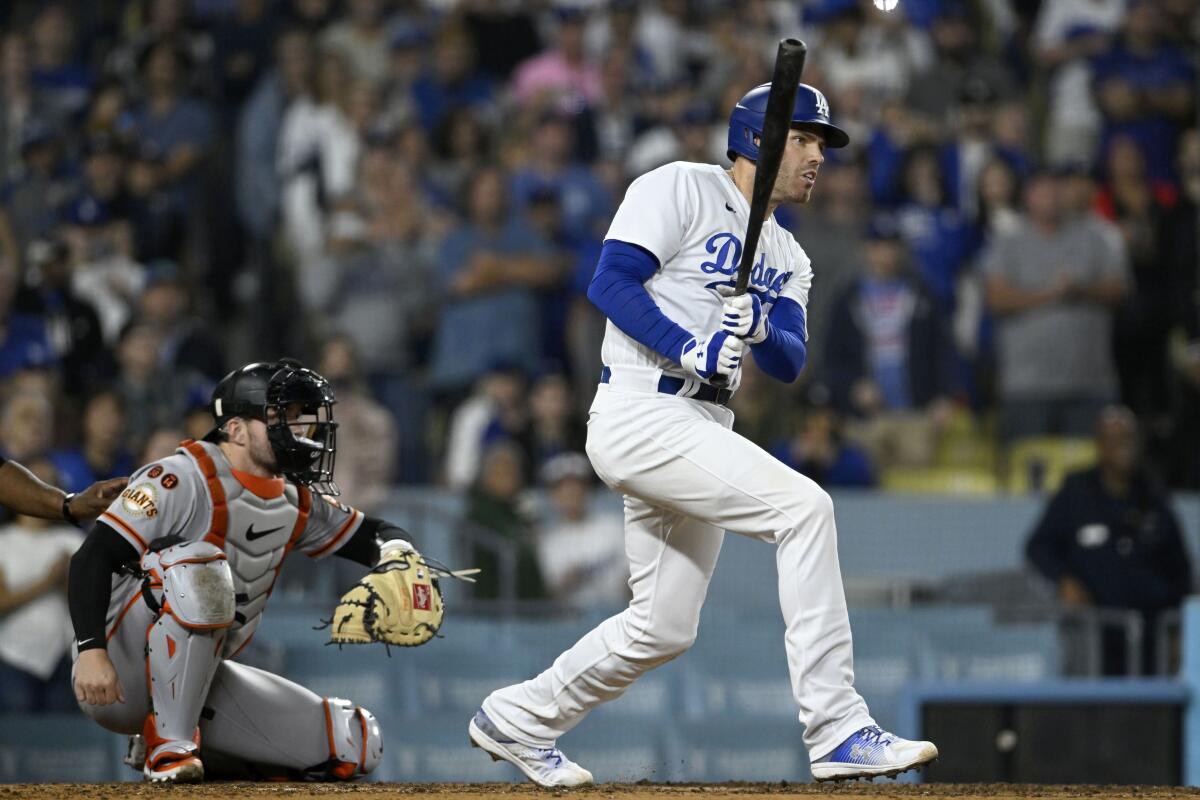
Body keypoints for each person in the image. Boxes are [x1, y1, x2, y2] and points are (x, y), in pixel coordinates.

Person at [466, 82, 937, 785]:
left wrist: (763, 326)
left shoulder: (790, 254)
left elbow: (790, 360)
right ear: (760, 139)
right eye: (805, 140)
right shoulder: (679, 186)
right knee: (806, 510)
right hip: (640, 408)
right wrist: (689, 345)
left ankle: (520, 717)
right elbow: (611, 283)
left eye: (819, 145)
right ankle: (836, 725)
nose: (817, 158)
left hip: (701, 422)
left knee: (662, 627)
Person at [67, 359, 423, 783]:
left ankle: (200, 752)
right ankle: (168, 746)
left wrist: (401, 556)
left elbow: (374, 534)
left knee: (353, 741)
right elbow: (90, 557)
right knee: (200, 565)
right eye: (279, 416)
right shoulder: (178, 477)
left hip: (201, 676)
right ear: (235, 429)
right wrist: (91, 651)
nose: (297, 429)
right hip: (116, 663)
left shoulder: (293, 501)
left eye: (298, 417)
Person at [1025, 406, 1192, 675]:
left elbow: (1180, 572)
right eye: (1113, 439)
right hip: (1094, 636)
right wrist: (1063, 579)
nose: (1123, 447)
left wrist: (1179, 632)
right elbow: (1039, 546)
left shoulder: (1154, 497)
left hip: (1151, 638)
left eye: (1128, 439)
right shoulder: (1076, 492)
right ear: (1100, 445)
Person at [0, 458, 85, 713]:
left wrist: (65, 580)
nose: (44, 487)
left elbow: (89, 601)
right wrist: (46, 581)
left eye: (51, 482)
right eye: (37, 481)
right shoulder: (4, 540)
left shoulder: (72, 539)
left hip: (64, 655)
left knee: (63, 739)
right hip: (15, 655)